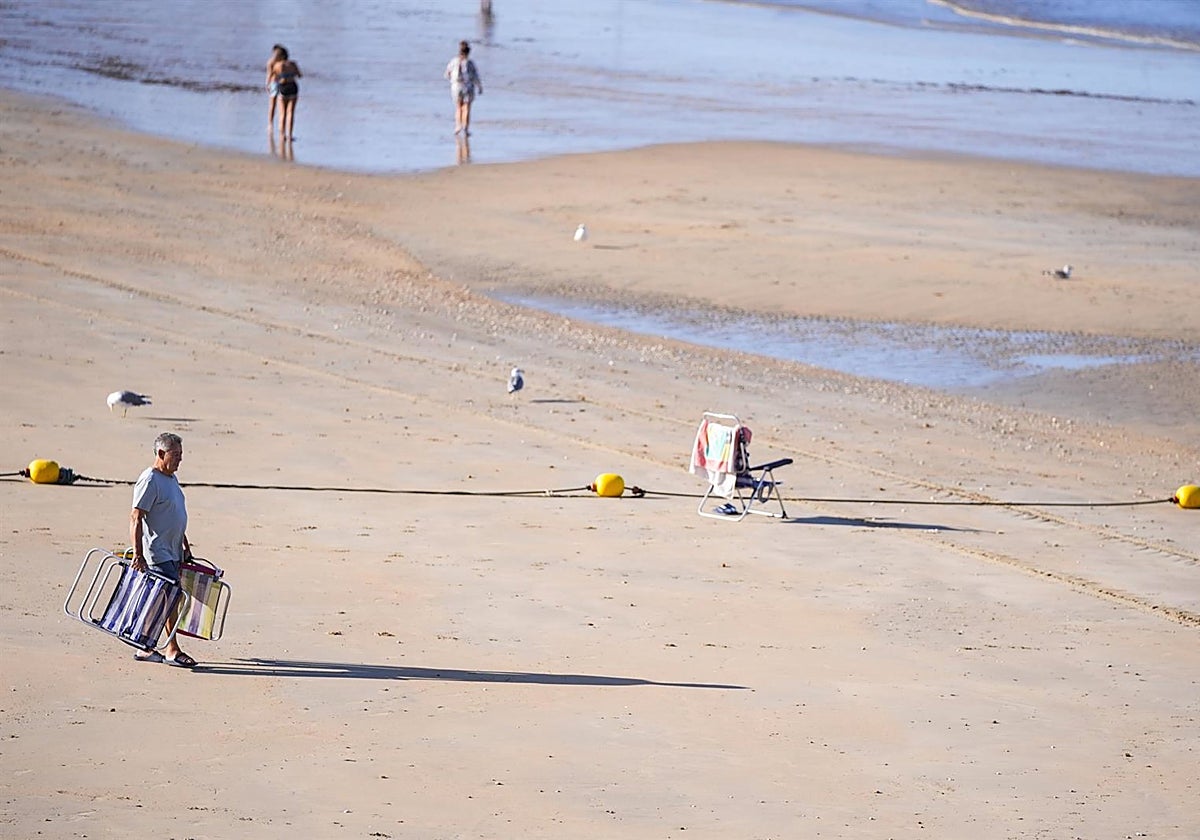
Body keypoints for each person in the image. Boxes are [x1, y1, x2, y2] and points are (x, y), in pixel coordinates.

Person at [129, 432, 196, 668]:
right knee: (171, 596)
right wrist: (138, 555)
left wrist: (184, 542)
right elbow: (136, 517)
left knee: (164, 598)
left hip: (173, 549)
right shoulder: (150, 479)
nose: (180, 460)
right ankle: (171, 649)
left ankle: (145, 647)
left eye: (181, 454)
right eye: (175, 455)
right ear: (161, 454)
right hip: (157, 551)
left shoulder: (171, 479)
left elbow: (172, 513)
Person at [444, 40, 482, 136]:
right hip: (468, 86)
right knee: (466, 108)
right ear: (468, 52)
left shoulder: (454, 61)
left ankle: (457, 126)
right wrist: (479, 86)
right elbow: (475, 76)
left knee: (458, 107)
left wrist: (451, 80)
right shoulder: (470, 63)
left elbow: (447, 74)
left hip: (456, 86)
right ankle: (465, 128)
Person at [270, 47, 302, 140]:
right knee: (291, 112)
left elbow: (274, 77)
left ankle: (282, 135)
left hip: (283, 87)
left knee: (282, 113)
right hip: (293, 86)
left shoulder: (278, 65)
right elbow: (300, 75)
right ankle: (290, 135)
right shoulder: (293, 64)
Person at [266, 43, 285, 134]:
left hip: (282, 83)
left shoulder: (283, 62)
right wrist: (268, 84)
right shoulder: (271, 62)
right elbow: (269, 74)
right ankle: (270, 123)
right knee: (272, 104)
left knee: (281, 105)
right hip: (274, 83)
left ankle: (280, 125)